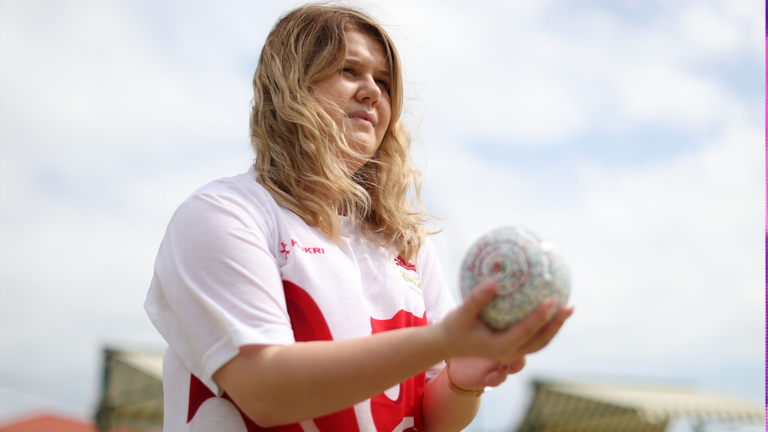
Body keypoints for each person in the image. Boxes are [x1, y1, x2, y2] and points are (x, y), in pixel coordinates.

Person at [144, 4, 573, 432]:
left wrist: (463, 380)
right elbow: (265, 391)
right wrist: (443, 341)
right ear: (289, 84)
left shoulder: (406, 243)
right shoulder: (224, 213)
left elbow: (429, 417)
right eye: (350, 70)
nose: (373, 92)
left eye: (384, 82)